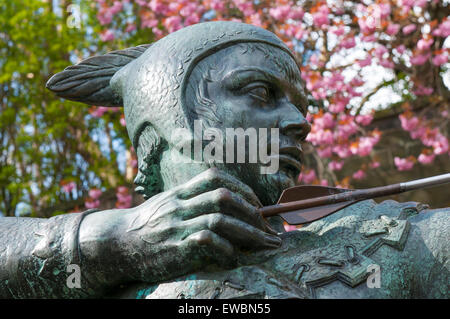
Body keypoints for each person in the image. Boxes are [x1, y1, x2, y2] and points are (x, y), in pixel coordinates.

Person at [0, 22, 447, 299]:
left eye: (302, 107)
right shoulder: (91, 279)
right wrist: (111, 243)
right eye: (261, 92)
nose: (300, 123)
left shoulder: (395, 245)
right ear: (169, 126)